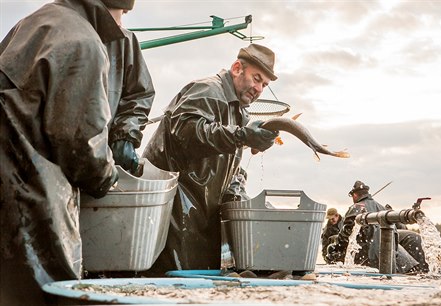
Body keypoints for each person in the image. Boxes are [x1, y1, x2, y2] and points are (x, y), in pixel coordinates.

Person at [0, 0, 138, 304]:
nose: (121, 23)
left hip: (8, 180)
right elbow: (80, 143)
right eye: (123, 13)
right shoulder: (84, 41)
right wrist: (107, 176)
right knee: (44, 293)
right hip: (30, 197)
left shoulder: (36, 21)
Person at [142, 43, 279, 275]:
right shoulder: (207, 90)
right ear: (237, 68)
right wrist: (242, 135)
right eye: (256, 79)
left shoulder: (239, 112)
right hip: (174, 211)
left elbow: (229, 167)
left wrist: (239, 196)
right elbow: (186, 131)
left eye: (264, 85)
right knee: (172, 283)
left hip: (203, 216)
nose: (259, 89)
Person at [326, 180, 428, 273]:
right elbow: (397, 230)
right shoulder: (382, 208)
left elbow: (345, 235)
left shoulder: (355, 208)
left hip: (368, 260)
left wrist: (334, 251)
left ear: (355, 195)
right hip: (390, 258)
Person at [104, 4, 155, 175]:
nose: (125, 12)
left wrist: (124, 136)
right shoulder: (47, 31)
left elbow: (140, 94)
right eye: (120, 8)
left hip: (100, 167)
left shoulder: (125, 41)